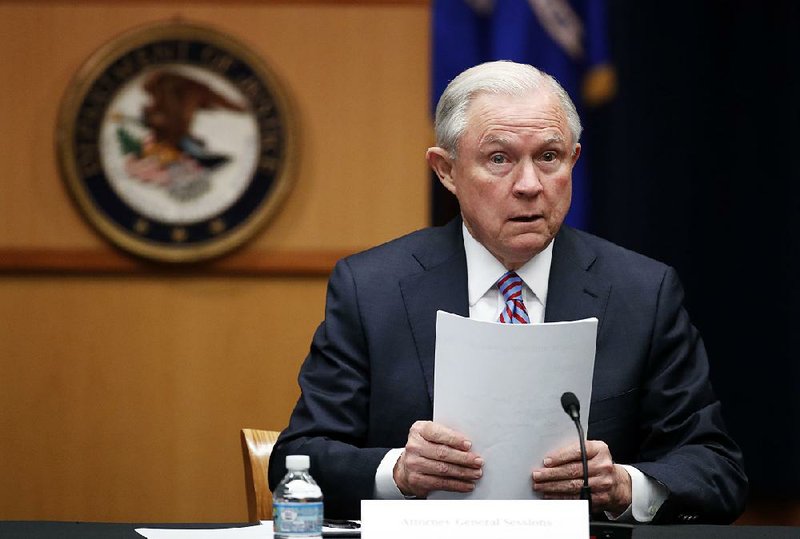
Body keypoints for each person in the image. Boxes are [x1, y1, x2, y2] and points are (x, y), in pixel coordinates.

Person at [268, 61, 747, 524]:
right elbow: (299, 457)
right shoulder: (372, 289)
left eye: (549, 157)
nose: (529, 185)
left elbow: (717, 469)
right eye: (499, 159)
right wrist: (398, 472)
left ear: (574, 160)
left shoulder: (642, 292)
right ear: (446, 171)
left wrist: (623, 484)